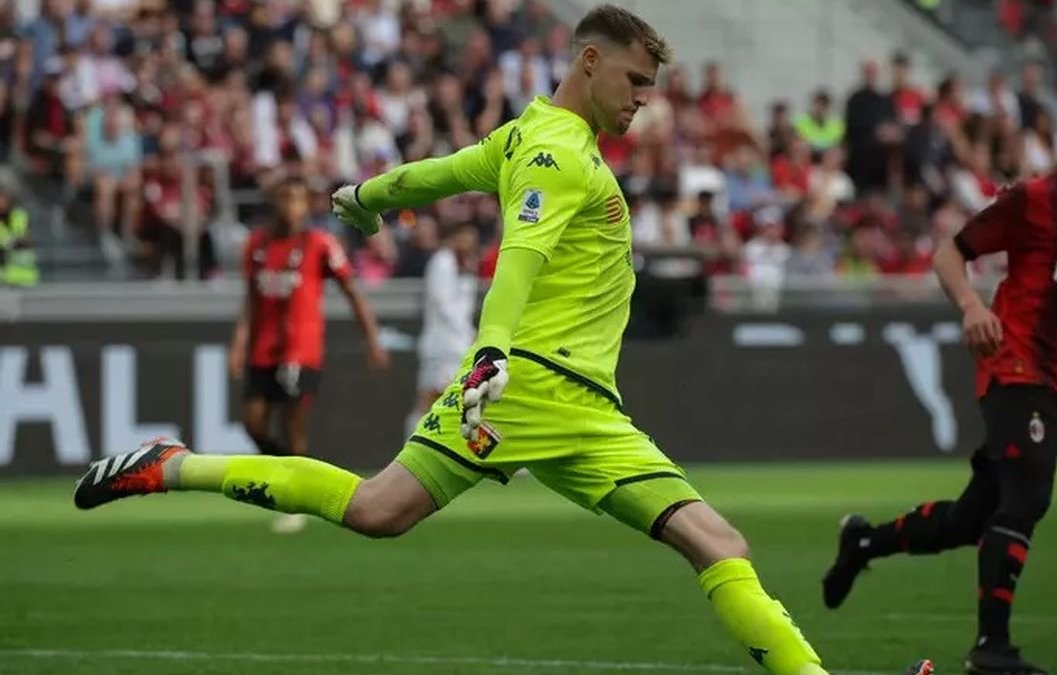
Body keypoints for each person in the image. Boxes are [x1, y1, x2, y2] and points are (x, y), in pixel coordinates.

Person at [73, 6, 931, 675]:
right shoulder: (557, 155)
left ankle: (172, 464)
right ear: (588, 61)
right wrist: (490, 352)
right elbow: (517, 259)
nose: (643, 98)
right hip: (527, 388)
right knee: (379, 510)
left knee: (719, 544)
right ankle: (173, 465)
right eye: (634, 79)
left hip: (588, 410)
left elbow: (437, 174)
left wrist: (368, 196)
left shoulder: (528, 136)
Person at [821, 94, 1057, 675]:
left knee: (973, 519)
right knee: (1028, 496)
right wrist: (972, 306)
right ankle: (992, 648)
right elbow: (951, 252)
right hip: (1015, 366)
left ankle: (866, 541)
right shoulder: (1035, 200)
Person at [227, 176, 391, 533]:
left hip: (302, 350)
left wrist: (372, 340)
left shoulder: (320, 244)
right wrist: (239, 344)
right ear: (275, 203)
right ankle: (292, 479)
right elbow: (250, 302)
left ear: (306, 206)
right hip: (263, 349)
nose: (292, 206)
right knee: (253, 423)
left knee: (293, 429)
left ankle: (295, 502)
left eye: (299, 199)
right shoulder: (256, 245)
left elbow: (352, 292)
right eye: (286, 198)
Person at [406, 221, 480, 437]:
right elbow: (444, 305)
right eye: (466, 236)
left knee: (451, 401)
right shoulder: (442, 262)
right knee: (428, 399)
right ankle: (410, 443)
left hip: (458, 347)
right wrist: (469, 332)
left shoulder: (463, 265)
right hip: (440, 345)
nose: (470, 242)